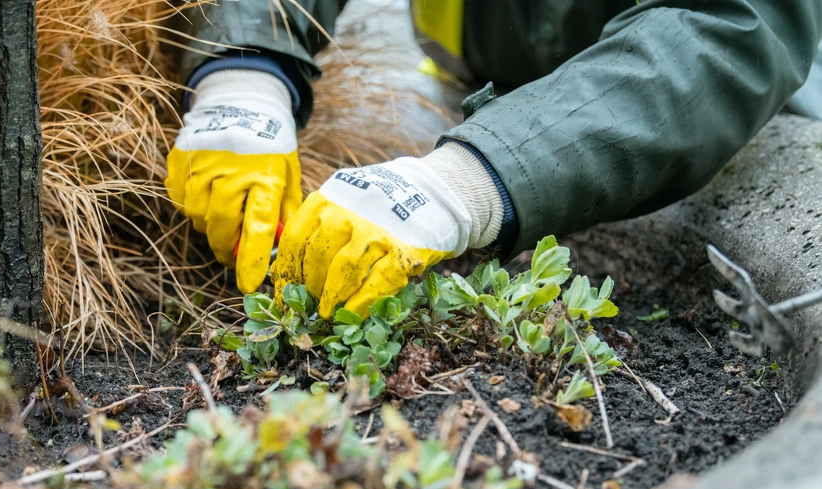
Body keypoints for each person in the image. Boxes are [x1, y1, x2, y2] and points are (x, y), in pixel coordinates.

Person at [165, 0, 822, 319]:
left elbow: (729, 27)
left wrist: (469, 182)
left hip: (758, 108)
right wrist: (245, 72)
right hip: (493, 71)